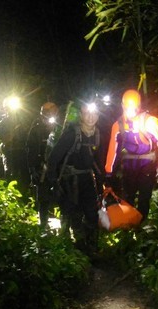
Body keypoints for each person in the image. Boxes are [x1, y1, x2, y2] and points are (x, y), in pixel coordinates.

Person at [105, 89, 158, 221]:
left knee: (144, 195)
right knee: (128, 195)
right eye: (128, 108)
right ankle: (128, 225)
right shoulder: (118, 125)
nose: (131, 111)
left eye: (134, 108)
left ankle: (141, 224)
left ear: (139, 106)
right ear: (122, 106)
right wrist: (109, 172)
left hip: (147, 163)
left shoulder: (149, 121)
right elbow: (112, 150)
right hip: (129, 164)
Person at [46, 102, 104, 254]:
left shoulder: (97, 134)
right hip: (70, 180)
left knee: (92, 213)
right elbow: (54, 157)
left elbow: (98, 162)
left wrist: (102, 182)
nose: (91, 117)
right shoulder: (72, 133)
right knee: (73, 213)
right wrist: (53, 180)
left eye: (94, 114)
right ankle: (77, 247)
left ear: (98, 116)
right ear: (81, 115)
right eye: (87, 113)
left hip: (87, 178)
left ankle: (90, 246)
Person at [26, 102, 61, 230]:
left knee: (62, 197)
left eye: (52, 112)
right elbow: (31, 150)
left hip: (58, 169)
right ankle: (43, 224)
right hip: (43, 169)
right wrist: (32, 169)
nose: (49, 116)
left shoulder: (60, 128)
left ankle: (65, 226)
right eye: (47, 113)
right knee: (43, 198)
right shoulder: (36, 129)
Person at [0, 97, 28, 182]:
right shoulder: (2, 123)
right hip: (10, 154)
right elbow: (5, 140)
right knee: (11, 178)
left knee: (24, 179)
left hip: (23, 153)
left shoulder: (22, 121)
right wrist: (14, 130)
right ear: (5, 109)